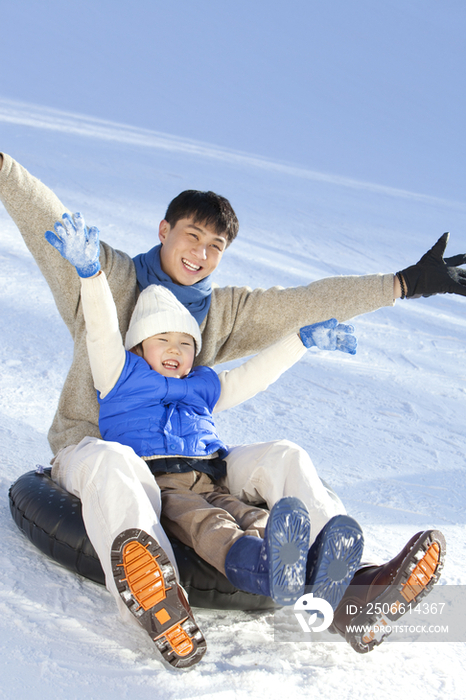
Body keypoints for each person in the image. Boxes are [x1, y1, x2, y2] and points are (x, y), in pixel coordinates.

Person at [0, 153, 458, 653]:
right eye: (192, 236)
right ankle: (161, 600)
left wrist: (403, 284)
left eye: (215, 246)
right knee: (116, 463)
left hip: (196, 459)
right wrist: (4, 170)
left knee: (283, 456)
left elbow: (302, 303)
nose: (200, 253)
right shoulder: (112, 279)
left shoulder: (220, 312)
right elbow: (51, 224)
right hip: (98, 446)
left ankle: (352, 592)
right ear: (164, 230)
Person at [45, 211, 364, 668]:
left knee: (258, 501)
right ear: (139, 345)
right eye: (163, 340)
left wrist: (301, 341)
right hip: (159, 480)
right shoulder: (119, 372)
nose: (175, 350)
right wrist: (91, 274)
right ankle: (161, 596)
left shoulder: (204, 384)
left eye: (185, 343)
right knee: (208, 525)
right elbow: (99, 327)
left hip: (212, 474)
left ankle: (326, 560)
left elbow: (254, 375)